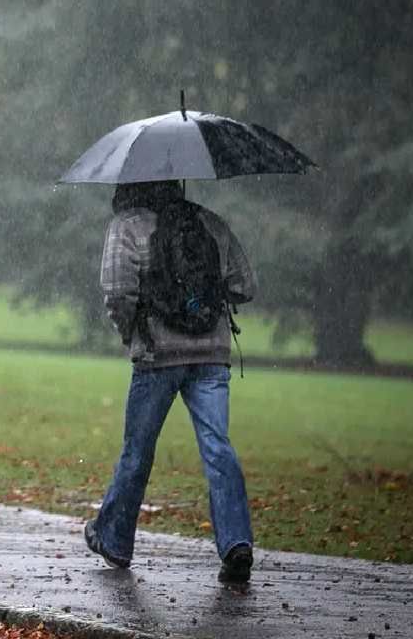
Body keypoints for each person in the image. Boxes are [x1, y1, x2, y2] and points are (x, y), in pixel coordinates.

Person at [84, 180, 257, 584]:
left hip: (156, 356)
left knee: (137, 452)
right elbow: (245, 287)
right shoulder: (210, 223)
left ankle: (114, 540)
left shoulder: (126, 227)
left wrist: (134, 330)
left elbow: (116, 291)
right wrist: (201, 298)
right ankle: (236, 543)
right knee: (218, 447)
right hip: (211, 356)